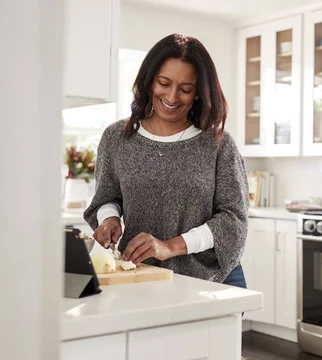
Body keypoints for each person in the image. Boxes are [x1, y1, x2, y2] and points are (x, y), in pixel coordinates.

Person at [83, 33, 249, 288]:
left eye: (185, 89)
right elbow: (107, 198)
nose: (172, 97)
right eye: (164, 83)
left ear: (199, 93)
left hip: (212, 281)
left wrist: (169, 247)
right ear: (149, 82)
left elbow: (233, 220)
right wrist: (109, 219)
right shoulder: (117, 138)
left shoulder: (218, 144)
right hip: (140, 276)